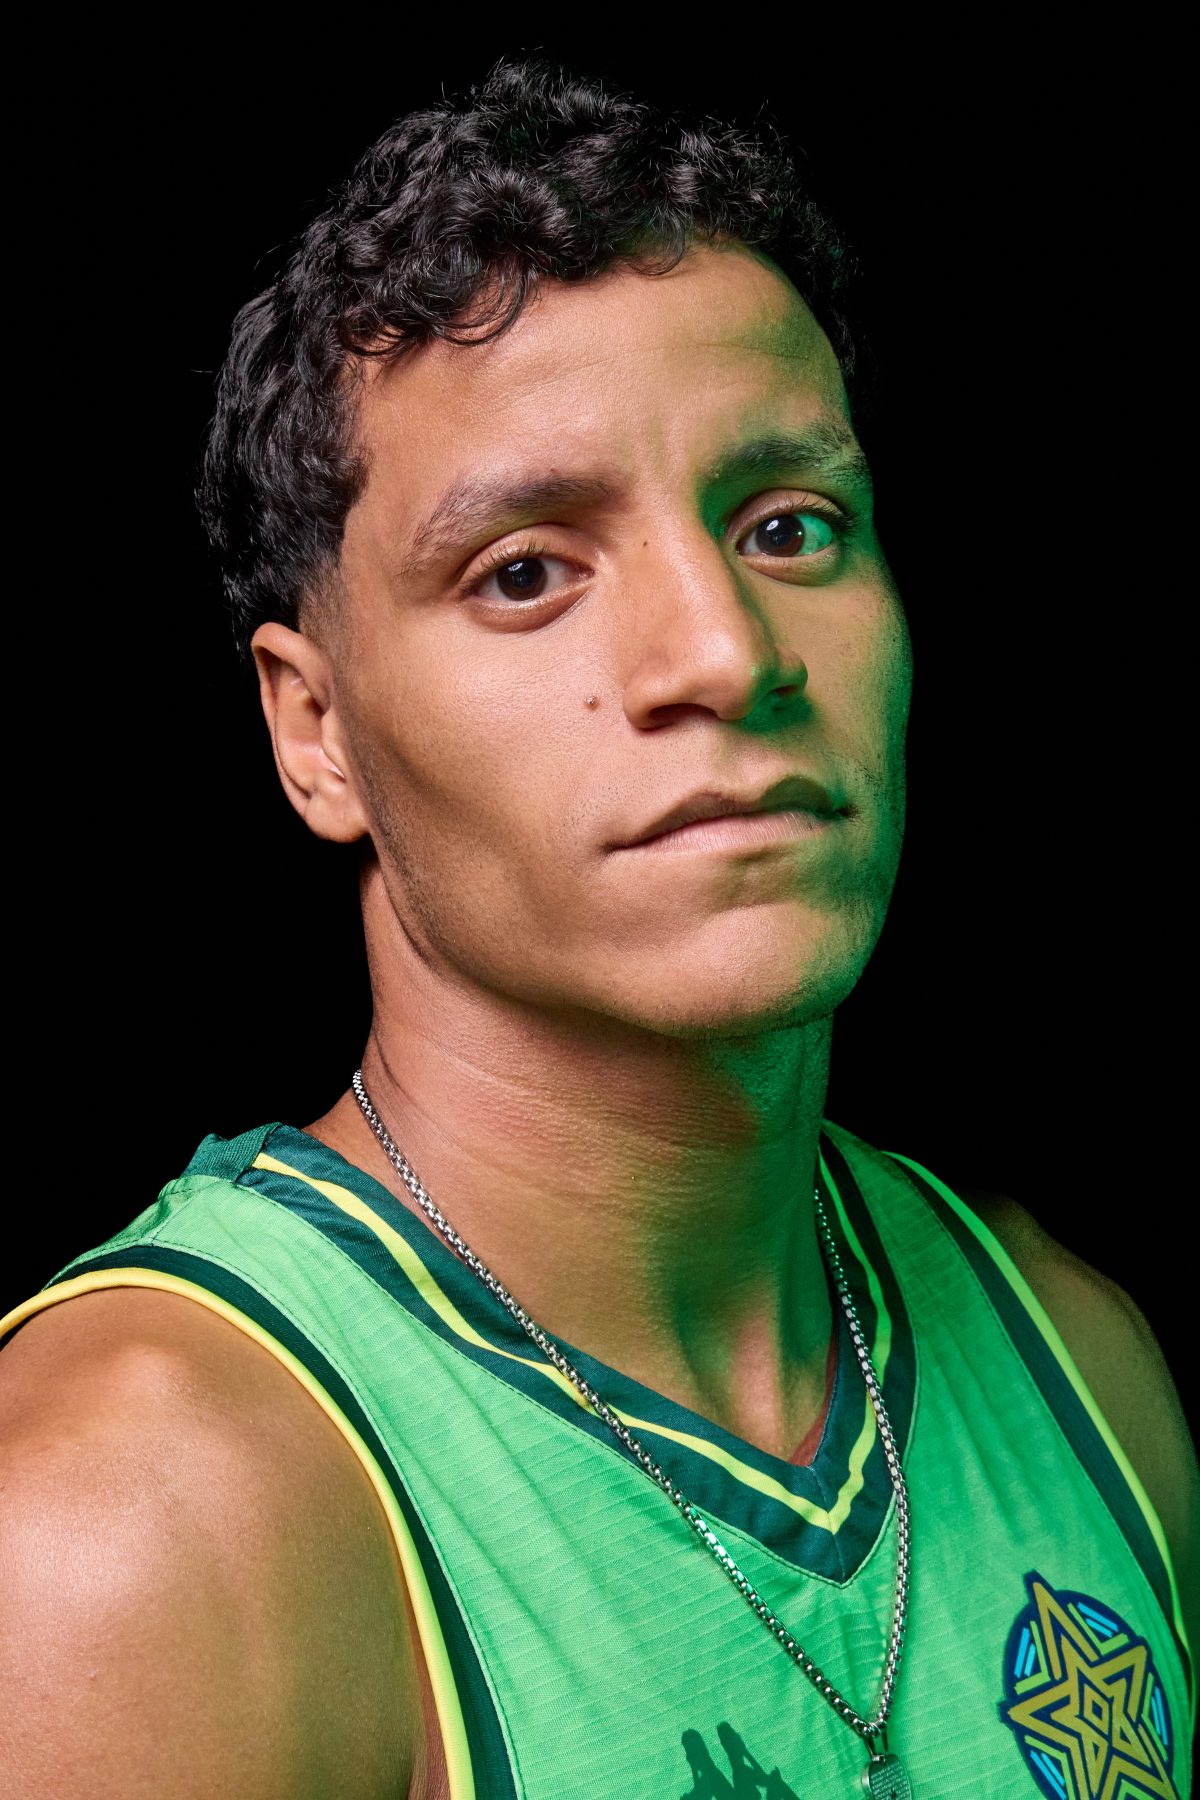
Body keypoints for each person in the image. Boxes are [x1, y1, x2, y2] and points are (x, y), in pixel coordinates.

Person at [1, 58, 1194, 1800]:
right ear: (314, 732)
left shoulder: (1075, 1362)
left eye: (789, 527)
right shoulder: (130, 1530)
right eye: (526, 573)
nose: (726, 652)